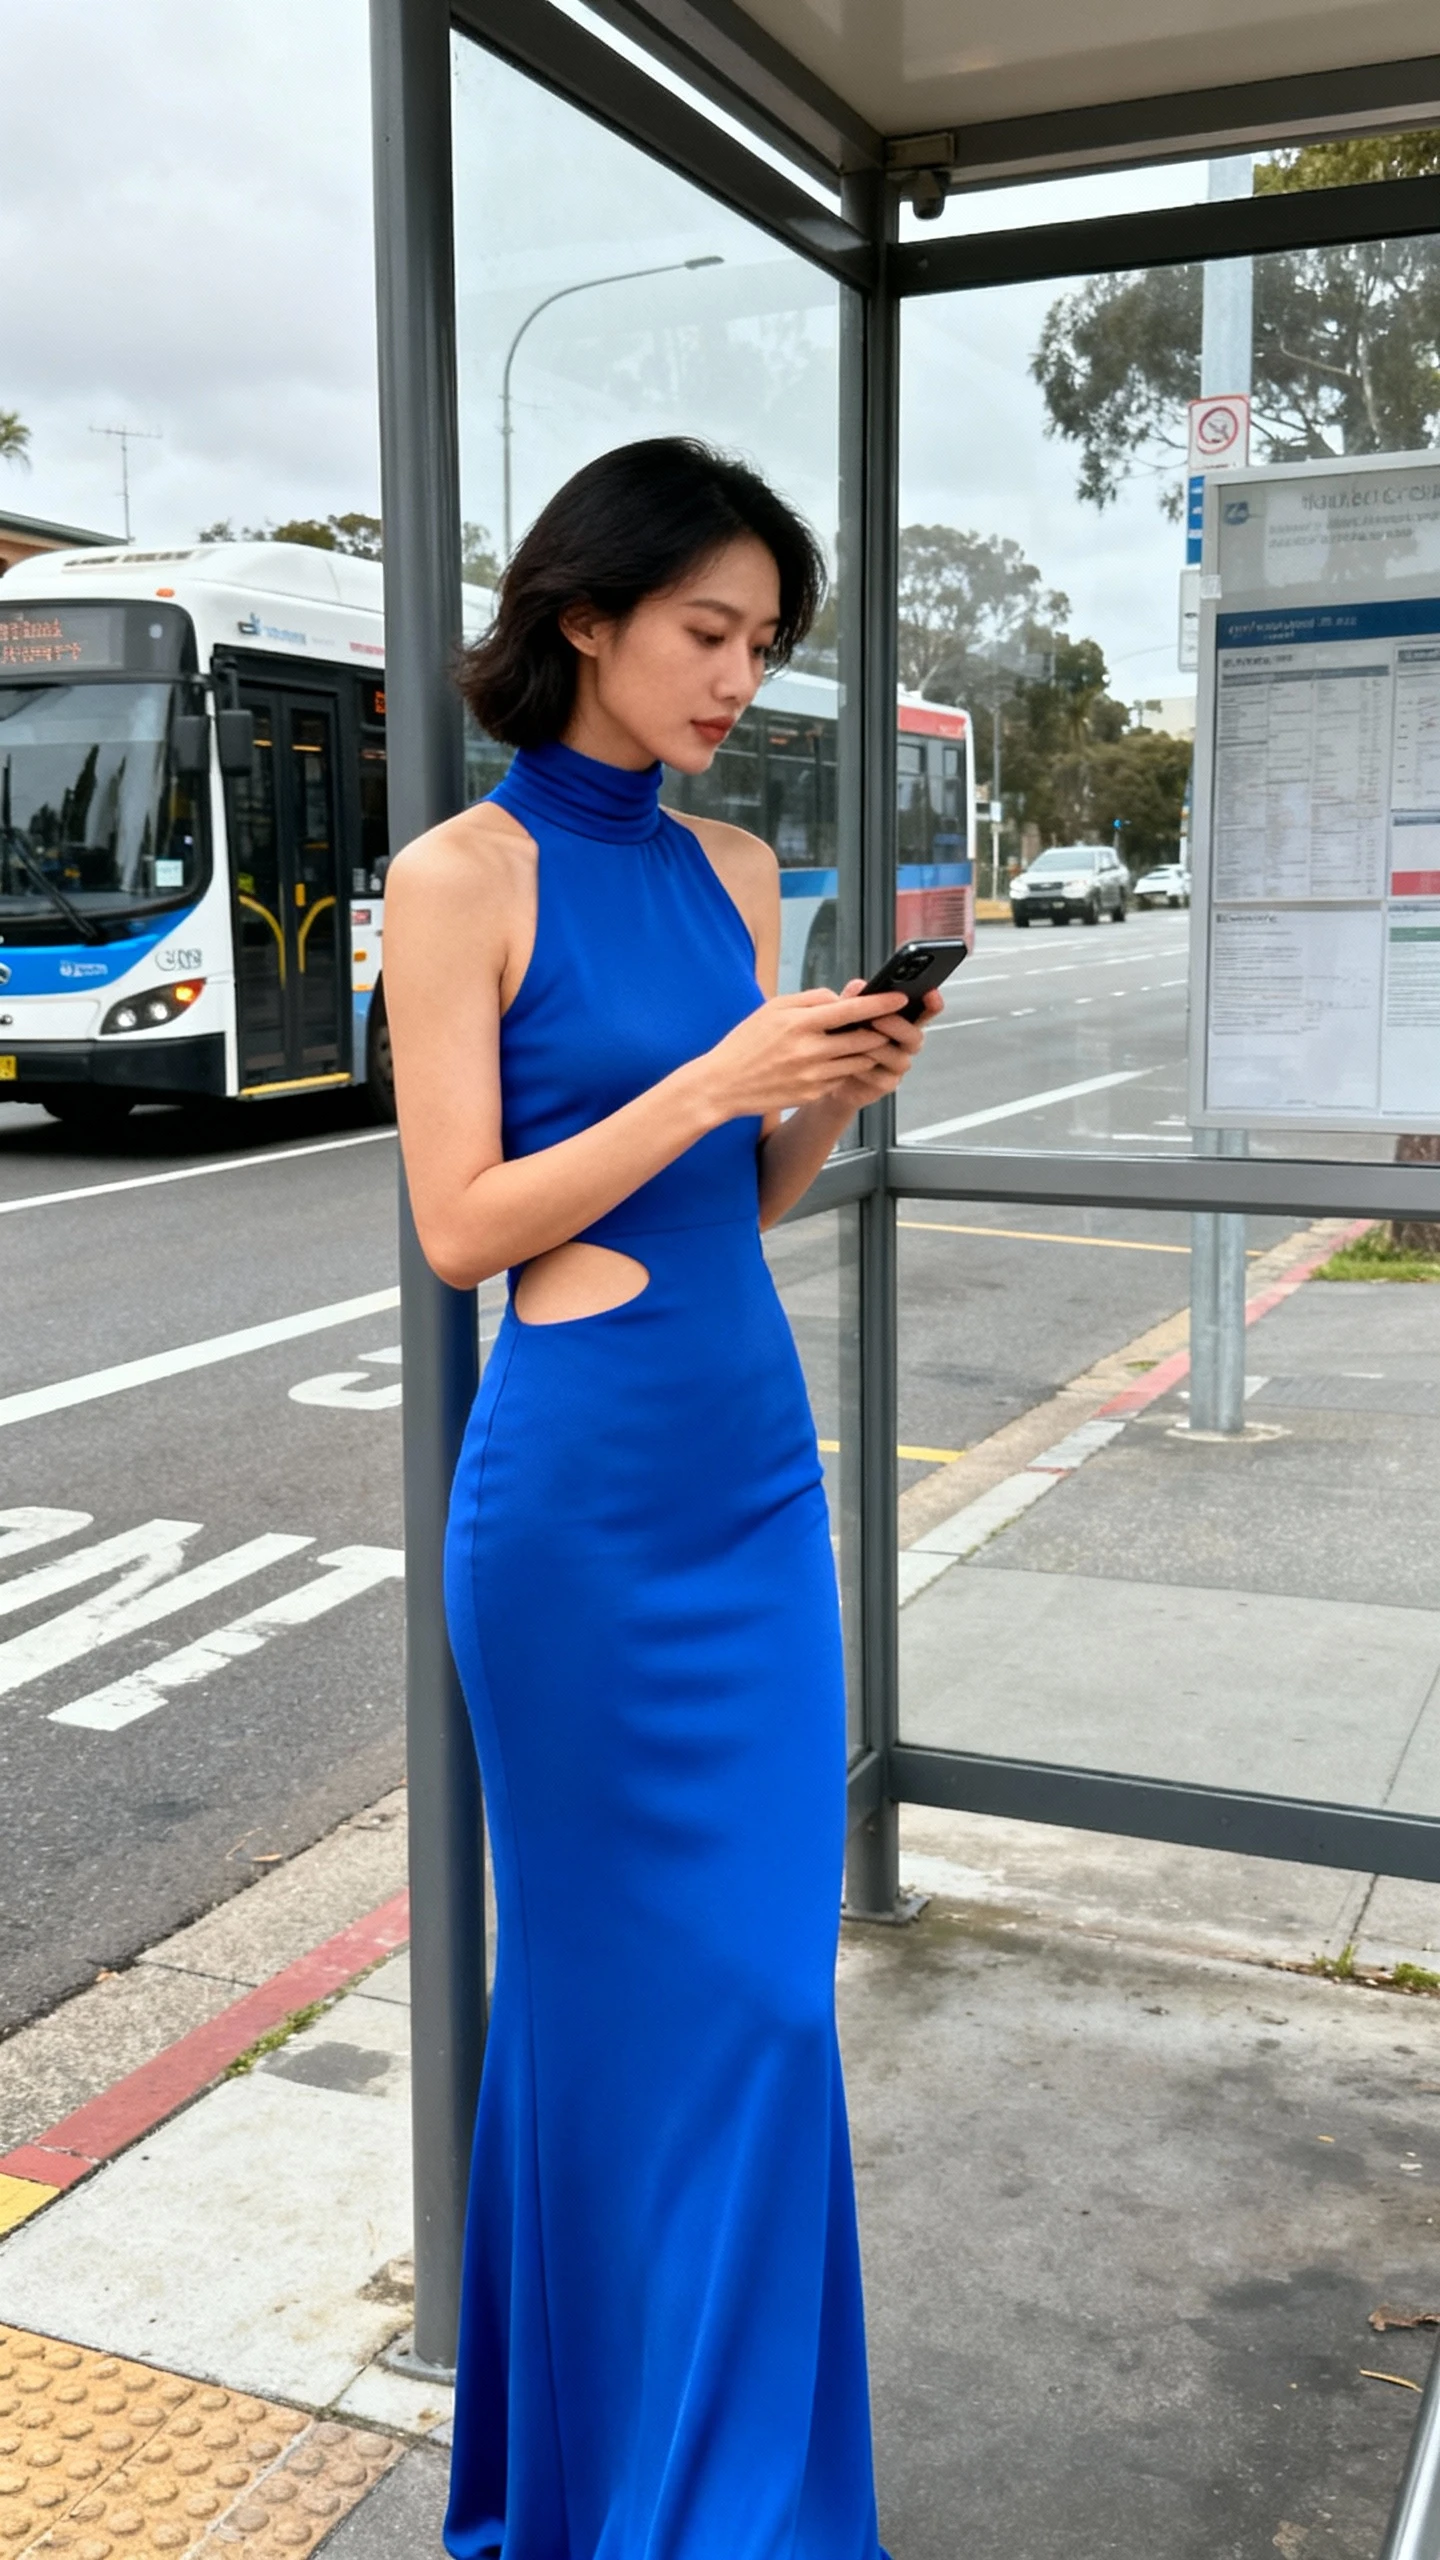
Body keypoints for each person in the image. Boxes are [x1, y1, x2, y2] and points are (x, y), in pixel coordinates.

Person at [384, 435, 942, 2560]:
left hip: (746, 1481)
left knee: (770, 1999)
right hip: (581, 1517)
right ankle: (609, 2493)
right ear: (587, 614)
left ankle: (738, 2498)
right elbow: (461, 1222)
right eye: (708, 631)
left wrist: (823, 1092)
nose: (737, 676)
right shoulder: (462, 880)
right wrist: (712, 1073)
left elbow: (742, 1192)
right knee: (611, 2012)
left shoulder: (731, 875)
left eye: (763, 644)